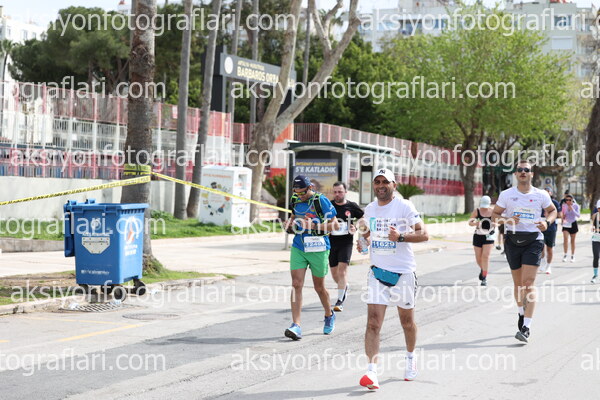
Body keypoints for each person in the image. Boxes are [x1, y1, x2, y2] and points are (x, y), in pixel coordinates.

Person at [357, 168, 429, 390]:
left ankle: (410, 357)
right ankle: (372, 372)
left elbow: (424, 234)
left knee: (407, 322)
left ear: (393, 185)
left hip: (403, 273)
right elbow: (367, 235)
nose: (380, 185)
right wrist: (362, 241)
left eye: (385, 182)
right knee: (373, 323)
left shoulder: (404, 206)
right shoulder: (370, 209)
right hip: (377, 273)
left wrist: (401, 237)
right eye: (377, 182)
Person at [492, 160, 557, 343]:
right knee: (518, 284)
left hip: (533, 240)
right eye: (519, 170)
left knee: (528, 283)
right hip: (513, 240)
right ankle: (521, 313)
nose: (522, 172)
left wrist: (547, 222)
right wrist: (507, 220)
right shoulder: (506, 194)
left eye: (526, 170)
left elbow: (552, 211)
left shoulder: (541, 194)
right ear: (515, 174)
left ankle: (526, 327)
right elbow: (494, 216)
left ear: (531, 174)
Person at [283, 175, 339, 340]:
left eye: (302, 192)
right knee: (296, 284)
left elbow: (335, 226)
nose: (299, 195)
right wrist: (289, 225)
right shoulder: (295, 200)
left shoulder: (321, 201)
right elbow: (293, 219)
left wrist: (314, 225)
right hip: (299, 246)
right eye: (297, 192)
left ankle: (329, 314)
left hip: (318, 248)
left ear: (310, 188)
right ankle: (296, 325)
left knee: (319, 287)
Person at [329, 181, 364, 311]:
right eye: (335, 192)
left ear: (345, 192)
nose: (337, 194)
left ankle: (339, 301)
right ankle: (344, 287)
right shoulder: (329, 206)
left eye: (340, 192)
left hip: (346, 242)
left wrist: (356, 226)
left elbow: (363, 218)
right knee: (334, 274)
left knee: (342, 271)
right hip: (331, 242)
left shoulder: (352, 206)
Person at [468, 195, 495, 286]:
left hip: (489, 236)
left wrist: (495, 224)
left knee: (485, 256)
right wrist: (476, 223)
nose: (484, 207)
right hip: (478, 235)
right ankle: (483, 269)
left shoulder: (493, 211)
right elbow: (470, 222)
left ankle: (484, 277)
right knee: (478, 258)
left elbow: (499, 222)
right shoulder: (477, 211)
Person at [539, 187, 561, 274]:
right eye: (545, 191)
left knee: (549, 248)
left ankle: (548, 266)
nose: (546, 193)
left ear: (551, 193)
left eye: (548, 191)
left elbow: (559, 215)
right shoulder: (539, 202)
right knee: (541, 247)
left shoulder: (554, 203)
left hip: (551, 228)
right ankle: (543, 262)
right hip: (541, 227)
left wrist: (550, 214)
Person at [560, 193, 580, 263]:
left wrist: (572, 209)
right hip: (566, 223)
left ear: (572, 200)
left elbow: (578, 215)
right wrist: (562, 220)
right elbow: (563, 214)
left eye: (569, 200)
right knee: (565, 239)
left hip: (573, 223)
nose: (568, 201)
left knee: (572, 240)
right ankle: (565, 254)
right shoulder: (564, 206)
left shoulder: (576, 206)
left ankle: (572, 255)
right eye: (566, 200)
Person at [591, 200, 600, 283]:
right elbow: (592, 227)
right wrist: (593, 229)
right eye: (599, 208)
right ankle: (595, 275)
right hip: (596, 238)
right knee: (596, 256)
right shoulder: (595, 215)